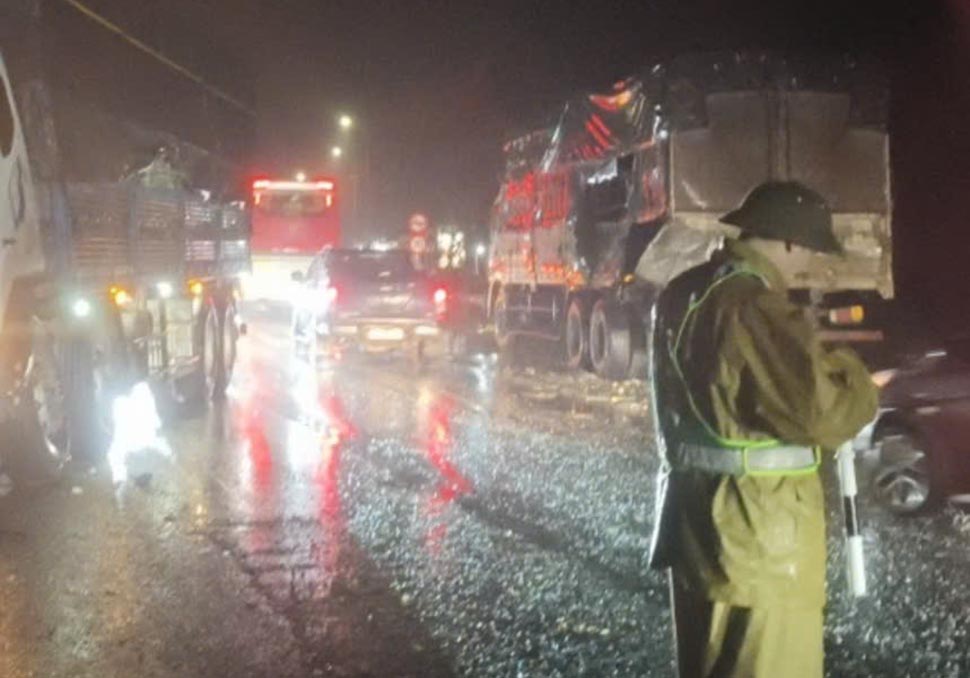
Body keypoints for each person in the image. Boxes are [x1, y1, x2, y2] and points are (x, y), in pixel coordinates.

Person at [648, 181, 878, 677]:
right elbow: (824, 413)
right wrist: (855, 375)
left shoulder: (682, 293)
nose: (807, 265)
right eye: (809, 251)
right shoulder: (754, 306)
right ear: (790, 241)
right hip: (759, 546)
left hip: (695, 532)